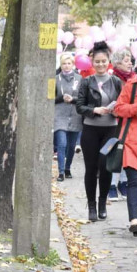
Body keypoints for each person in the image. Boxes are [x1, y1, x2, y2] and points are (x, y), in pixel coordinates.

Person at [76, 42, 123, 222]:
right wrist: (94, 110)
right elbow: (79, 106)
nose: (101, 65)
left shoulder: (116, 82)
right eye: (97, 62)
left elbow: (123, 103)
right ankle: (92, 206)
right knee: (91, 168)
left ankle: (103, 202)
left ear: (109, 61)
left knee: (105, 166)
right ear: (92, 62)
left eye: (104, 61)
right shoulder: (87, 82)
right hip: (90, 129)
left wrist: (115, 110)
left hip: (110, 129)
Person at [110, 48, 137, 235]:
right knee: (135, 180)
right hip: (130, 140)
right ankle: (134, 219)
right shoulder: (132, 85)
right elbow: (119, 109)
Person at [54, 53, 82, 182]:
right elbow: (49, 98)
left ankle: (67, 168)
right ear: (61, 64)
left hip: (75, 115)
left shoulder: (80, 79)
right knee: (62, 144)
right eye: (64, 63)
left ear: (73, 64)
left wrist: (73, 99)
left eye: (69, 63)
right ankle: (60, 171)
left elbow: (83, 98)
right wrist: (61, 98)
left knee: (71, 146)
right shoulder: (54, 79)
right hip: (59, 115)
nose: (66, 66)